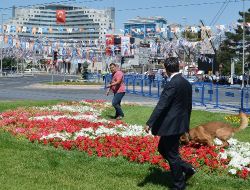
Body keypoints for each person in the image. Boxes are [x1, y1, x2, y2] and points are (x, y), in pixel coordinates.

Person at [145, 57, 196, 190]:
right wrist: (186, 124)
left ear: (166, 69)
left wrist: (150, 122)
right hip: (179, 123)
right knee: (162, 149)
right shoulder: (186, 83)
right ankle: (187, 168)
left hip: (171, 125)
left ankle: (179, 185)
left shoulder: (172, 83)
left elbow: (162, 105)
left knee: (172, 155)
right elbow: (188, 106)